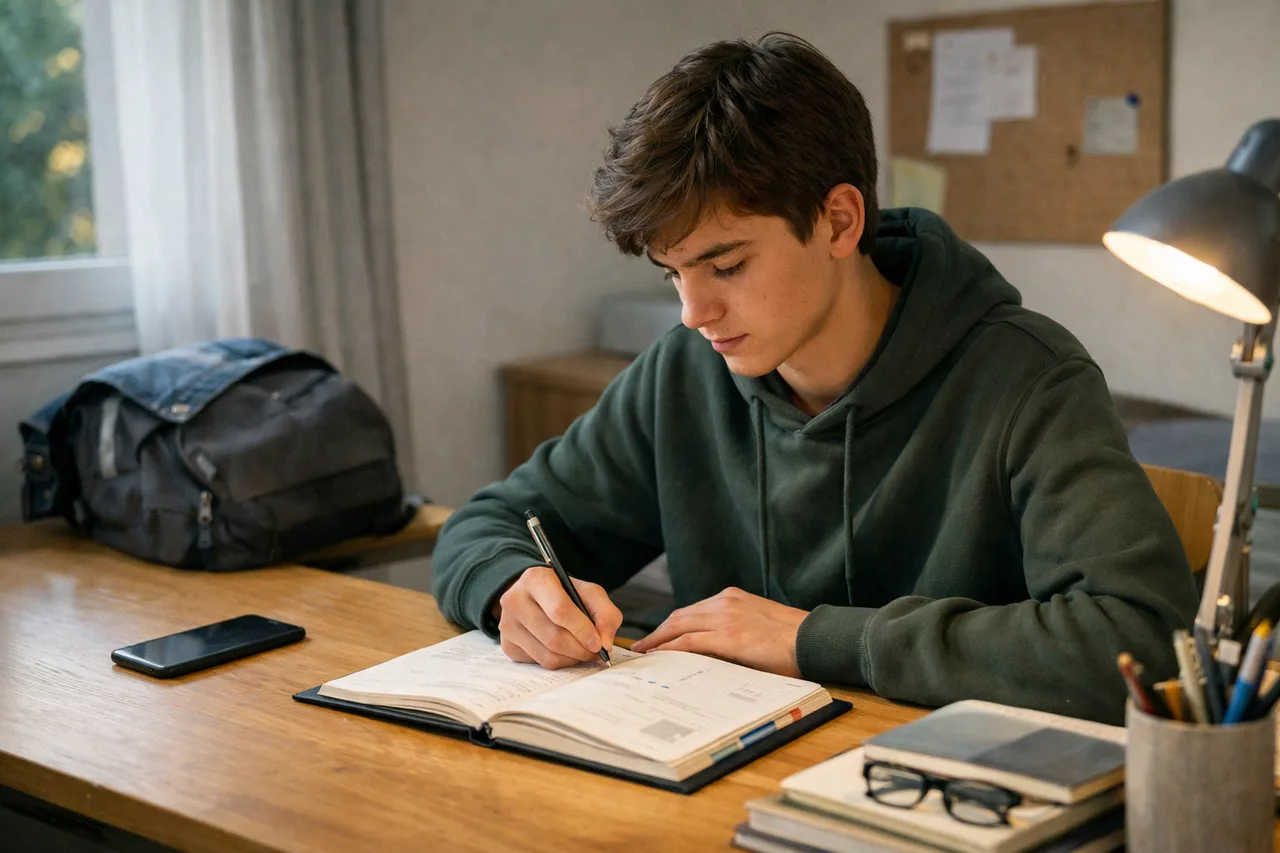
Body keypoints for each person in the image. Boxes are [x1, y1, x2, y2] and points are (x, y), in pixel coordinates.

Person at [430, 32, 1197, 723]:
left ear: (839, 221)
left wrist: (817, 639)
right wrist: (508, 588)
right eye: (673, 274)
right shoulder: (684, 372)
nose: (694, 311)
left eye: (726, 264)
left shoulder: (1028, 380)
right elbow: (485, 524)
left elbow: (1140, 639)